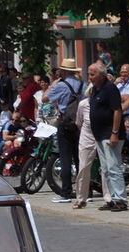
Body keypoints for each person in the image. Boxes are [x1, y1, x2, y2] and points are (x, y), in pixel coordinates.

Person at [82, 62, 127, 212]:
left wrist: (114, 133)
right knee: (106, 169)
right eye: (89, 74)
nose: (90, 77)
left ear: (102, 75)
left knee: (114, 167)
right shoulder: (95, 89)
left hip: (110, 134)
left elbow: (117, 111)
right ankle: (112, 198)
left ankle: (121, 199)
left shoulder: (110, 88)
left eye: (93, 74)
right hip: (99, 135)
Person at [47, 60, 83, 202]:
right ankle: (86, 191)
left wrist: (53, 85)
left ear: (64, 71)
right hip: (79, 123)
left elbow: (45, 99)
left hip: (65, 122)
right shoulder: (82, 84)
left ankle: (66, 192)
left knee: (66, 157)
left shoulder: (61, 85)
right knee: (80, 157)